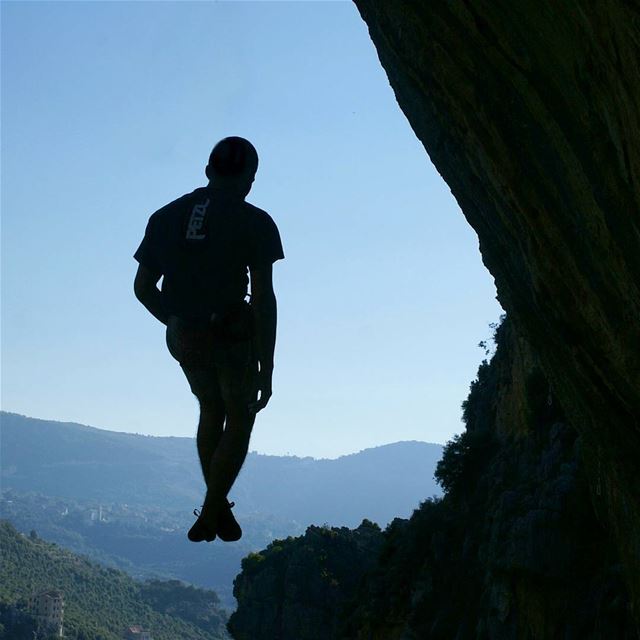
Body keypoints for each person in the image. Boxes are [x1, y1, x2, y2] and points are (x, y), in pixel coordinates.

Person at [133, 136, 284, 542]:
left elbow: (144, 287)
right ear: (250, 179)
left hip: (185, 337)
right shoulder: (254, 221)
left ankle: (216, 512)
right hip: (231, 335)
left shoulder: (165, 217)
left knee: (209, 407)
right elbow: (264, 298)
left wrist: (176, 321)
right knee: (240, 413)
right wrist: (266, 367)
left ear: (207, 171)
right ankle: (214, 508)